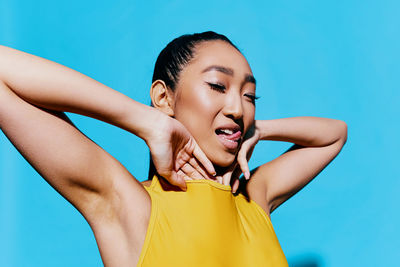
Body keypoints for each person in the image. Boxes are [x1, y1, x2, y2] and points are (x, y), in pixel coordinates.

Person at [0, 31, 347, 266]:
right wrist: (145, 121)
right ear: (163, 97)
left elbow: (334, 134)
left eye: (249, 96)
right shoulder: (129, 203)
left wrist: (261, 130)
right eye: (217, 85)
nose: (238, 109)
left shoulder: (254, 198)